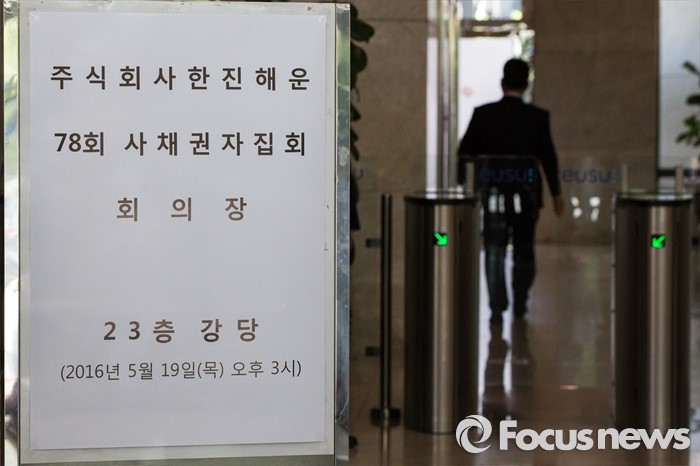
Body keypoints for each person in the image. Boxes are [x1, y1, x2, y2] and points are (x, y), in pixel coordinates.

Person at [458, 58, 564, 326]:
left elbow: (464, 152)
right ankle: (520, 302)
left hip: (492, 193)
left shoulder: (483, 114)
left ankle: (497, 306)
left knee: (494, 250)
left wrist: (463, 187)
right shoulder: (538, 117)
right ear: (526, 85)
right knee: (524, 248)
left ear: (502, 83)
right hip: (527, 195)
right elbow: (548, 158)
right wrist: (556, 193)